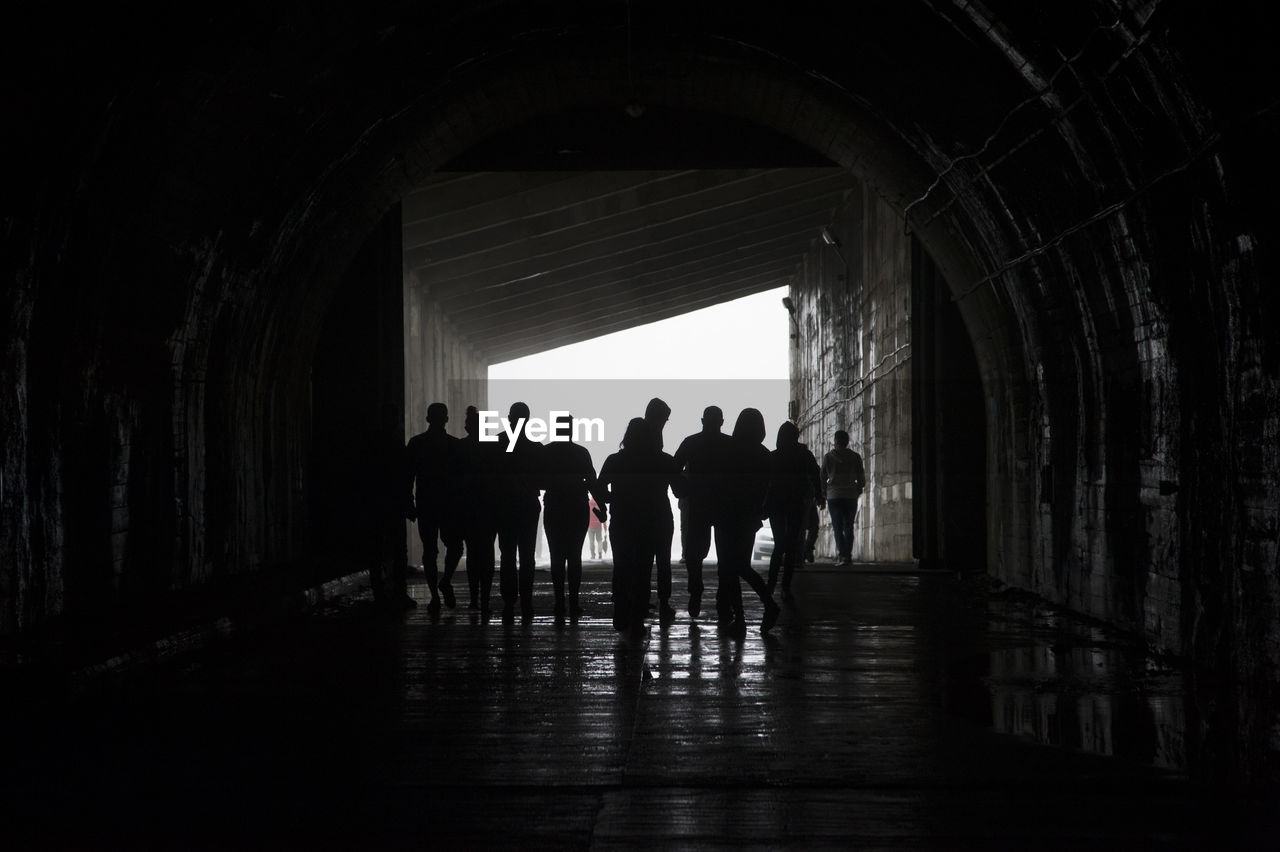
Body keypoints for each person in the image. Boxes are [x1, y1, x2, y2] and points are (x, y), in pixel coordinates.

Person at [597, 418, 685, 640]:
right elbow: (680, 490)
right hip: (654, 521)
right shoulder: (663, 461)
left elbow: (598, 488)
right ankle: (636, 620)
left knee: (622, 567)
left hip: (624, 521)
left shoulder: (615, 460)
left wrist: (609, 502)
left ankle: (621, 611)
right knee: (644, 571)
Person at [709, 408, 780, 638]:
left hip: (724, 516)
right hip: (748, 517)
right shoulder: (764, 455)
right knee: (741, 566)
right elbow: (768, 489)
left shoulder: (725, 451)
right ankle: (766, 605)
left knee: (728, 568)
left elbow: (717, 485)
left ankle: (741, 617)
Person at [542, 413, 607, 619]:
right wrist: (602, 507)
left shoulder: (547, 452)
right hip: (577, 507)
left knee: (557, 556)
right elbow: (592, 481)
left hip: (554, 506)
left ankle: (559, 602)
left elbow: (538, 480)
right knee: (574, 556)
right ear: (571, 429)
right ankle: (573, 602)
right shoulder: (581, 453)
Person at [672, 405, 732, 619]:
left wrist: (681, 489)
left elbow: (674, 467)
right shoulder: (729, 444)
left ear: (702, 421)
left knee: (694, 553)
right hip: (724, 504)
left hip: (698, 503)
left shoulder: (691, 442)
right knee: (726, 554)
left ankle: (695, 590)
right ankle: (723, 599)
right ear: (722, 422)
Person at [404, 402, 463, 615]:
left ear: (428, 419)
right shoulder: (454, 445)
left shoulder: (417, 444)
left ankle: (435, 597)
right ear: (446, 419)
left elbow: (407, 477)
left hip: (427, 504)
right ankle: (444, 582)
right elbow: (462, 479)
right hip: (449, 505)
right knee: (455, 547)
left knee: (429, 551)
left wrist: (409, 503)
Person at [494, 401, 545, 621]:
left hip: (505, 504)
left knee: (507, 554)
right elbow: (543, 480)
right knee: (527, 556)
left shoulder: (497, 442)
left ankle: (508, 602)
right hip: (527, 504)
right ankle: (526, 602)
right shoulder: (536, 447)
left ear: (510, 417)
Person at [764, 421, 822, 597]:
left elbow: (765, 483)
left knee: (779, 543)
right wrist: (819, 495)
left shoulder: (773, 456)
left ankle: (771, 583)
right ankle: (786, 585)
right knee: (791, 545)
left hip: (776, 504)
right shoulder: (804, 455)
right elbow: (815, 475)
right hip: (797, 503)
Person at [457, 405, 499, 615]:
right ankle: (484, 599)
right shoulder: (493, 449)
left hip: (468, 507)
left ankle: (474, 599)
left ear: (467, 426)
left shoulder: (460, 448)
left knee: (473, 553)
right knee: (487, 554)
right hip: (489, 508)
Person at [643, 397, 678, 622]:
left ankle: (642, 599)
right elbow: (679, 489)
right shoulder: (663, 456)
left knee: (643, 561)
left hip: (640, 512)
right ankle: (663, 602)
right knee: (663, 561)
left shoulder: (631, 454)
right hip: (661, 512)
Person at [822, 429, 866, 566]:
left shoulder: (828, 457)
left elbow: (822, 476)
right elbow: (861, 478)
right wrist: (858, 490)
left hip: (834, 496)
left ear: (835, 441)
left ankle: (842, 555)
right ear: (847, 442)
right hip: (850, 495)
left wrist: (824, 493)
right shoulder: (855, 457)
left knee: (837, 526)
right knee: (849, 526)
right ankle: (848, 556)